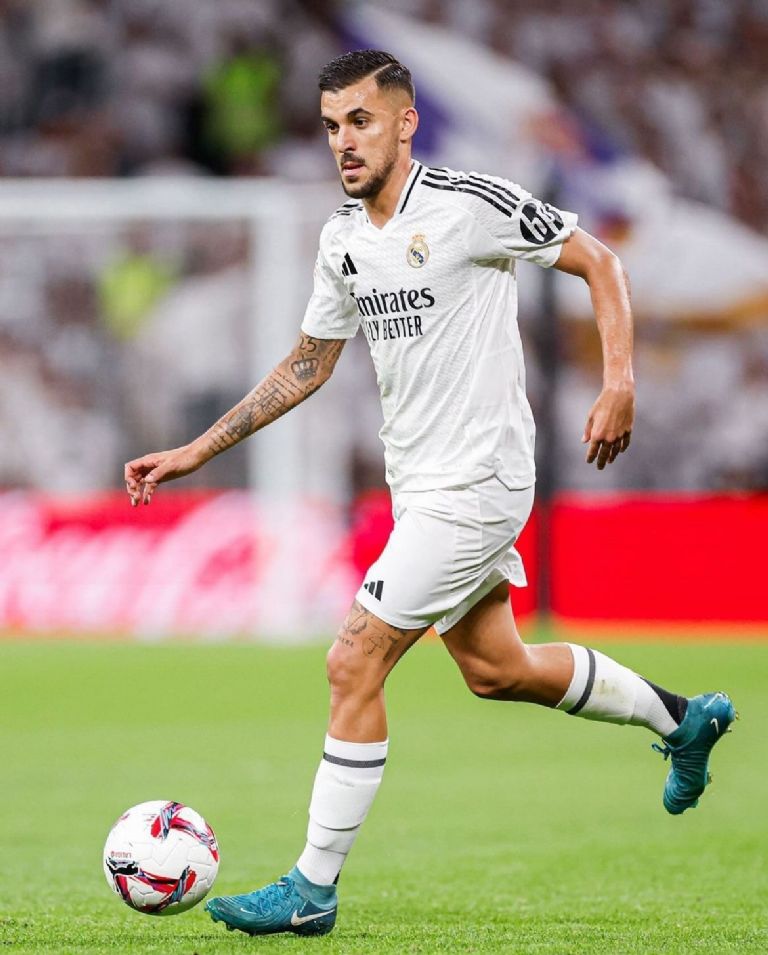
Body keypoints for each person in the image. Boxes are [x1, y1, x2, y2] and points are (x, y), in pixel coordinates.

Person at [124, 50, 735, 939]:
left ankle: (312, 886)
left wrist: (619, 382)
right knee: (497, 669)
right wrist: (195, 450)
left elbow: (601, 261)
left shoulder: (466, 205)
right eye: (331, 126)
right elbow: (307, 364)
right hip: (420, 484)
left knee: (352, 661)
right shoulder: (343, 238)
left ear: (405, 123)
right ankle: (682, 721)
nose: (344, 141)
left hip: (478, 480)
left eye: (361, 121)